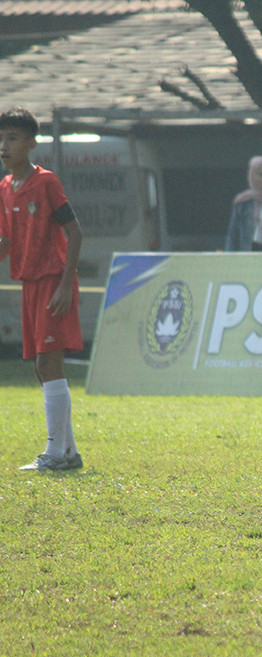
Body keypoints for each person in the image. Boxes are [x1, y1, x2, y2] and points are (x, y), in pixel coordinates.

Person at [0, 107, 85, 471]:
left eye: (13, 138)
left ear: (31, 143)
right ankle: (68, 452)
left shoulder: (46, 182)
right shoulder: (5, 187)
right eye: (1, 139)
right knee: (41, 366)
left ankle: (54, 452)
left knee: (47, 362)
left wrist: (66, 284)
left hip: (53, 280)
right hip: (30, 283)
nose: (4, 146)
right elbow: (6, 240)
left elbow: (75, 232)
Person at [225, 155, 262, 251]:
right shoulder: (243, 202)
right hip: (249, 250)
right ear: (252, 176)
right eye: (260, 175)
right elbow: (234, 233)